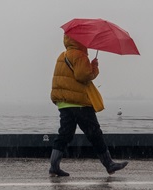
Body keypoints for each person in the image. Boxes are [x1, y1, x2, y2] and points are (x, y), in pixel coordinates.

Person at [48, 35, 128, 177]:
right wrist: (94, 68)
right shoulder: (79, 55)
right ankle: (109, 164)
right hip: (79, 103)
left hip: (64, 104)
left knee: (64, 135)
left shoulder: (62, 55)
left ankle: (54, 166)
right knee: (95, 134)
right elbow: (83, 75)